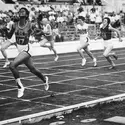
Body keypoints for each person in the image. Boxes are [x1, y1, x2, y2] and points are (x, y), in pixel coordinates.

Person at [3, 7, 49, 98]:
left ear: (26, 14)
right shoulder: (14, 25)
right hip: (20, 49)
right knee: (32, 69)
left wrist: (39, 33)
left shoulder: (30, 25)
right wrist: (4, 30)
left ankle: (20, 87)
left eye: (23, 11)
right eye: (20, 11)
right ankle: (44, 79)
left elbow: (40, 32)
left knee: (12, 65)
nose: (21, 12)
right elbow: (9, 36)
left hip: (27, 49)